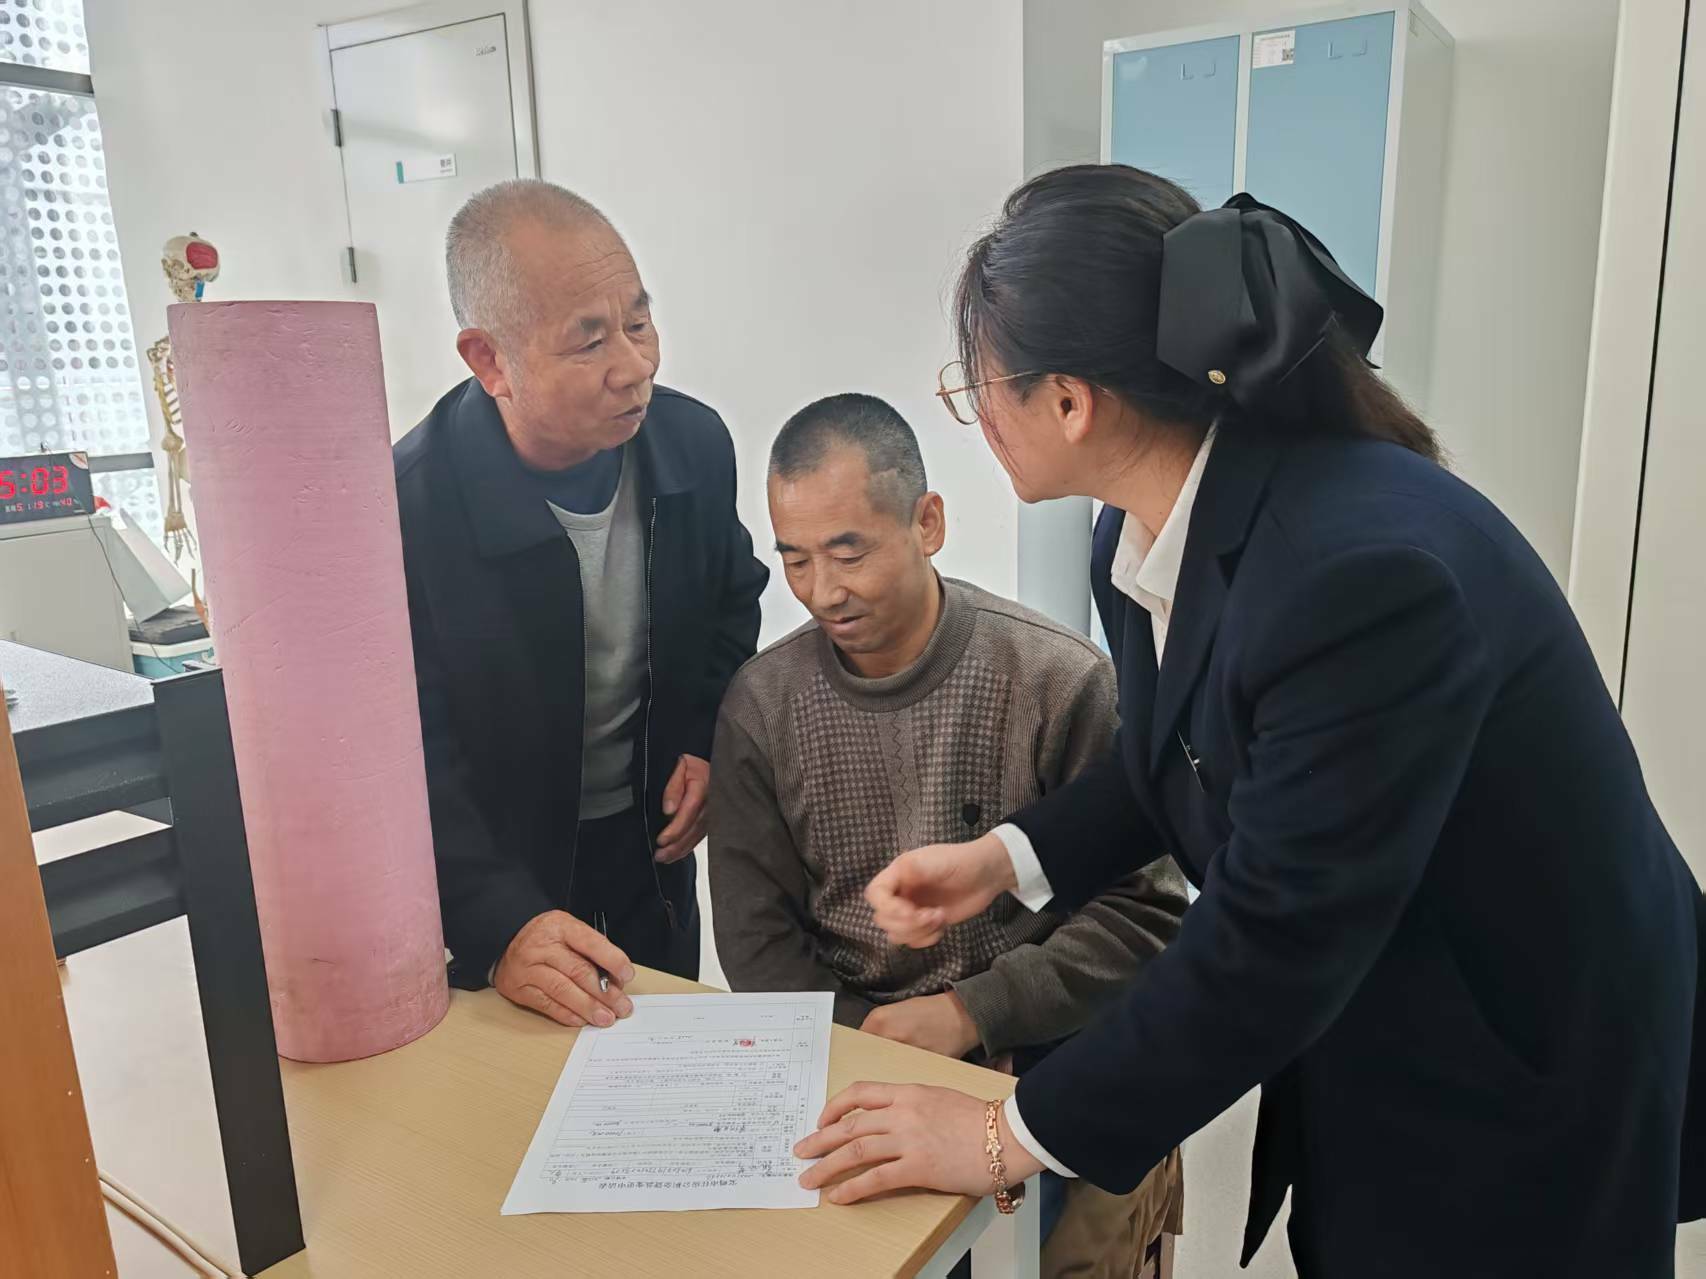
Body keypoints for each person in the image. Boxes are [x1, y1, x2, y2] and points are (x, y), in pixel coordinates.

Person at [794, 166, 1705, 1277]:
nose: (974, 414)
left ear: (1070, 402)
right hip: (1383, 990)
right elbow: (1182, 749)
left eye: (976, 385)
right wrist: (1005, 858)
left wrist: (1002, 1133)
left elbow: (1274, 937)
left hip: (1516, 1048)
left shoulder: (1353, 576)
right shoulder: (1147, 523)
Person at [709, 393, 1189, 1275]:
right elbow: (757, 941)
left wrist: (974, 1014)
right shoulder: (761, 706)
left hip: (1045, 1061)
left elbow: (1145, 915)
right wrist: (870, 1045)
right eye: (796, 560)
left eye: (848, 551)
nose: (823, 591)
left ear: (927, 522)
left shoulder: (1058, 677)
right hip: (853, 1063)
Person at [394, 180, 769, 1029]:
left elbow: (731, 600)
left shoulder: (693, 445)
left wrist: (705, 739)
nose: (635, 366)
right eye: (590, 340)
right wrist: (496, 921)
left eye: (639, 322)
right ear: (490, 360)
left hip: (650, 847)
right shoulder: (409, 508)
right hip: (497, 869)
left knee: (653, 1051)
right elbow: (410, 748)